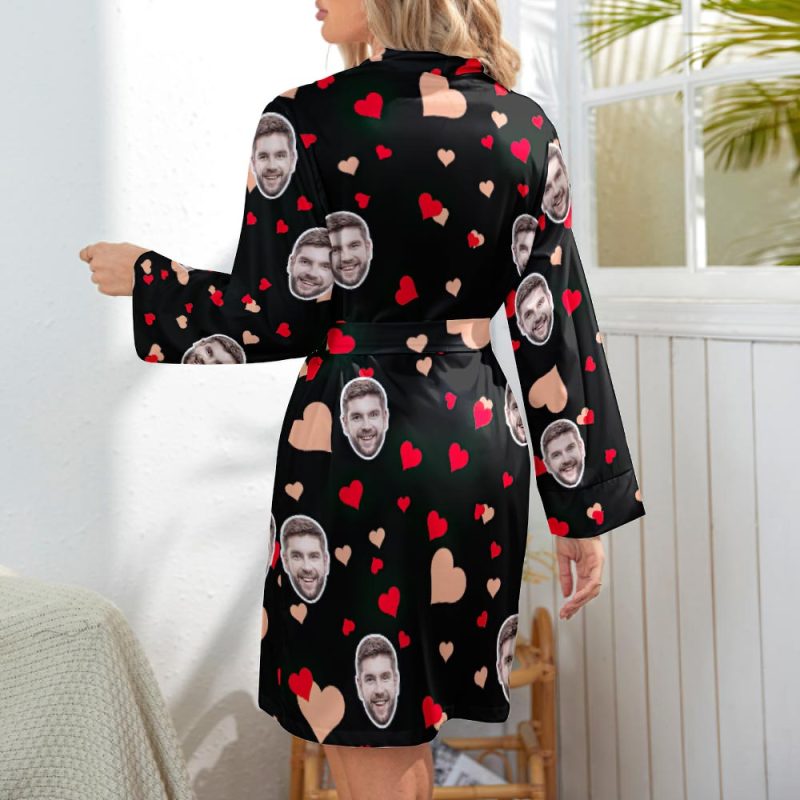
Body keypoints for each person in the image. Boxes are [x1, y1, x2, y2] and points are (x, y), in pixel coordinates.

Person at [78, 1, 646, 797]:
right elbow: (556, 322)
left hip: (357, 450)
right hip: (477, 444)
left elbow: (276, 312)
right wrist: (583, 509)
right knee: (410, 721)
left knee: (367, 726)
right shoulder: (525, 127)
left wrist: (149, 278)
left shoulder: (303, 120)